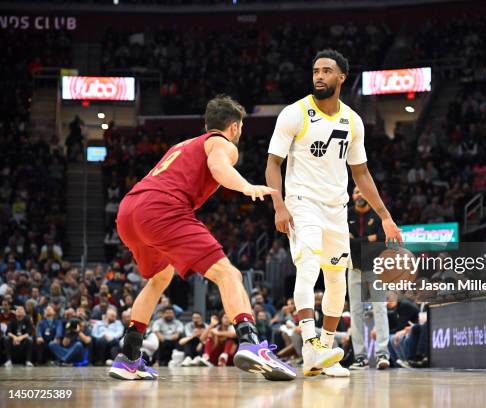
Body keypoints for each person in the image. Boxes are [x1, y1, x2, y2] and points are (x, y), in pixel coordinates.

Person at [109, 95, 295, 381]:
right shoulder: (223, 143)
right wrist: (245, 186)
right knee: (228, 274)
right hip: (162, 210)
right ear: (234, 127)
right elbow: (219, 168)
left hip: (129, 211)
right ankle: (250, 342)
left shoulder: (181, 145)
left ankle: (129, 356)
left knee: (159, 278)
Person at [266, 49, 403, 377]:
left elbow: (362, 173)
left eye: (327, 71)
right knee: (308, 265)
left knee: (336, 282)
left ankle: (323, 353)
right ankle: (311, 344)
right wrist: (279, 204)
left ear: (342, 77)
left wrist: (384, 215)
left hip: (336, 208)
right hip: (302, 202)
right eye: (315, 70)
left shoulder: (353, 121)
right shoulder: (295, 113)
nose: (319, 76)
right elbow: (273, 163)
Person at [347, 186, 390, 370]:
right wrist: (369, 239)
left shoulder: (378, 213)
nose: (359, 194)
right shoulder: (345, 214)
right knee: (355, 312)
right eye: (356, 192)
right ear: (352, 196)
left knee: (380, 309)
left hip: (376, 268)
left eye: (362, 191)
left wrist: (358, 240)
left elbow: (382, 239)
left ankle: (382, 355)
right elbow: (346, 241)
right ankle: (360, 358)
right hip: (354, 268)